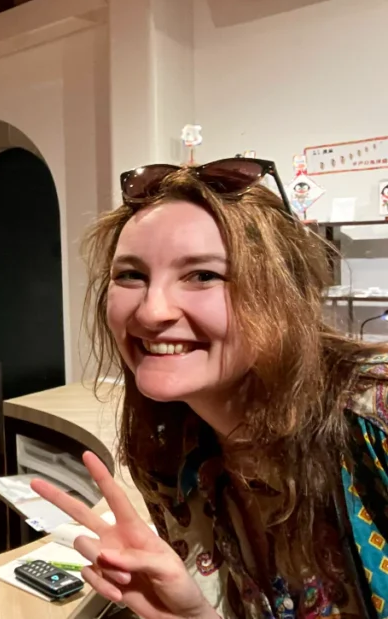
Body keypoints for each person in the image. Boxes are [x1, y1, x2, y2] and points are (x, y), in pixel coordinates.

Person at [35, 158, 388, 619]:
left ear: (283, 295)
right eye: (131, 275)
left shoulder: (374, 418)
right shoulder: (166, 453)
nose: (152, 311)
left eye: (202, 275)